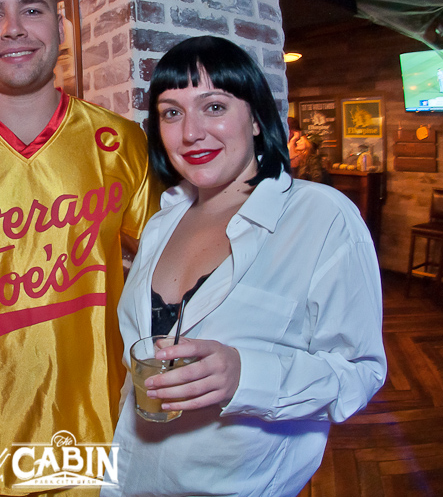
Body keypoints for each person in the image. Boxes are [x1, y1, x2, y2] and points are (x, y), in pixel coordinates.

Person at [104, 36, 387, 497]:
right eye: (171, 113)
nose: (190, 132)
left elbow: (360, 373)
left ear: (255, 118)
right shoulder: (160, 223)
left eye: (213, 107)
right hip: (133, 478)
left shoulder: (321, 217)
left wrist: (246, 374)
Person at [0, 0, 161, 495]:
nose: (13, 28)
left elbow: (173, 272)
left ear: (61, 27)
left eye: (31, 10)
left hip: (104, 449)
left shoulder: (120, 143)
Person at [288, 119, 331, 184]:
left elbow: (316, 181)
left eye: (301, 140)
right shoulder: (302, 160)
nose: (297, 142)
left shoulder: (314, 162)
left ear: (308, 144)